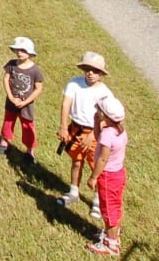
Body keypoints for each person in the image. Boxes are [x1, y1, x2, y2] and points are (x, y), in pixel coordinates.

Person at [57, 52, 112, 216]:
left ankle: (98, 200)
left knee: (96, 167)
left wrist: (93, 135)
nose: (90, 73)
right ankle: (73, 191)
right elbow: (66, 104)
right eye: (87, 69)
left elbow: (106, 117)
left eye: (95, 71)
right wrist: (63, 127)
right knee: (76, 161)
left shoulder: (104, 92)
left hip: (95, 133)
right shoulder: (74, 83)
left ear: (101, 73)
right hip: (76, 128)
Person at [85, 94, 129, 255]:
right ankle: (112, 235)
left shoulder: (108, 134)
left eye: (99, 110)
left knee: (109, 210)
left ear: (105, 115)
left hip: (108, 177)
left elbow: (103, 159)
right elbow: (99, 138)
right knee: (114, 206)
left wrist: (93, 177)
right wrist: (96, 123)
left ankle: (111, 245)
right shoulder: (118, 131)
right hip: (118, 174)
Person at [0, 36, 45, 158]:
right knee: (8, 121)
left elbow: (38, 88)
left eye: (23, 50)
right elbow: (6, 79)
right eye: (18, 50)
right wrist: (11, 97)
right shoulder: (12, 64)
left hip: (26, 105)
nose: (19, 52)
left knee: (27, 125)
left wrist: (26, 102)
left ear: (30, 53)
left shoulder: (35, 70)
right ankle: (4, 141)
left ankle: (30, 150)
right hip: (11, 101)